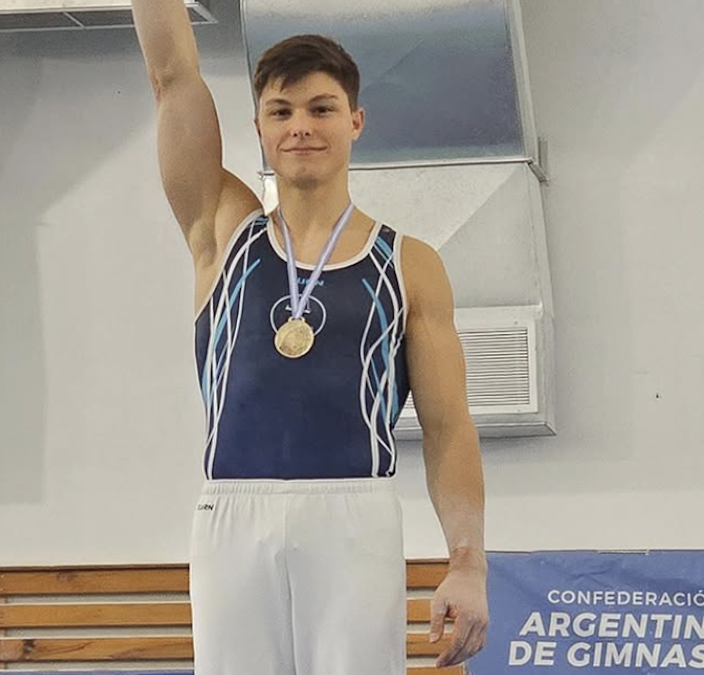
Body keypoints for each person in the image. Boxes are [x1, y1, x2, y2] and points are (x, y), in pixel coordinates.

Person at [132, 2, 489, 673]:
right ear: (259, 129)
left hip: (355, 515)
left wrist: (467, 562)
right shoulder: (222, 232)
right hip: (232, 513)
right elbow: (171, 77)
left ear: (356, 121)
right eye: (281, 111)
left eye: (322, 109)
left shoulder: (408, 265)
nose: (301, 126)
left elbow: (449, 428)